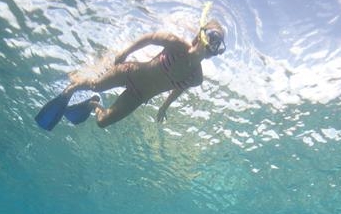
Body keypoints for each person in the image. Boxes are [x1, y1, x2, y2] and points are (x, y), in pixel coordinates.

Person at [35, 19, 226, 131]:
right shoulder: (175, 44)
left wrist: (164, 107)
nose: (215, 45)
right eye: (214, 37)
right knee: (94, 84)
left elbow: (178, 89)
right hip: (130, 73)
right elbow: (150, 38)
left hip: (138, 96)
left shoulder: (196, 77)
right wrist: (124, 53)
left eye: (219, 44)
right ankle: (72, 88)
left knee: (103, 122)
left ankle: (93, 103)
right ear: (201, 35)